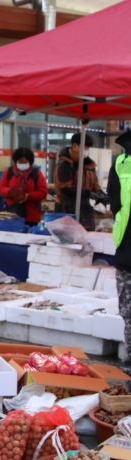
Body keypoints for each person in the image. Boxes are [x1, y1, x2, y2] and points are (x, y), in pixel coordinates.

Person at [107, 131, 131, 376]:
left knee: (129, 314)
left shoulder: (121, 163)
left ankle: (129, 369)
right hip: (126, 254)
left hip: (126, 252)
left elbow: (113, 203)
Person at [54, 133, 101, 229]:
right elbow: (64, 188)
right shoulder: (65, 164)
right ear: (75, 146)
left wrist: (101, 195)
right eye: (85, 147)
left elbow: (95, 185)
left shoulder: (89, 165)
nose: (86, 151)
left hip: (85, 209)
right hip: (66, 208)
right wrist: (87, 193)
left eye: (88, 148)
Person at [0, 148, 48, 226]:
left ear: (30, 162)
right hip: (12, 214)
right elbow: (1, 188)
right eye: (20, 162)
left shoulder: (37, 174)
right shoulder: (9, 172)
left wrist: (28, 196)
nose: (22, 164)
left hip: (31, 217)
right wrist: (11, 192)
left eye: (25, 162)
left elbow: (43, 192)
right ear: (15, 161)